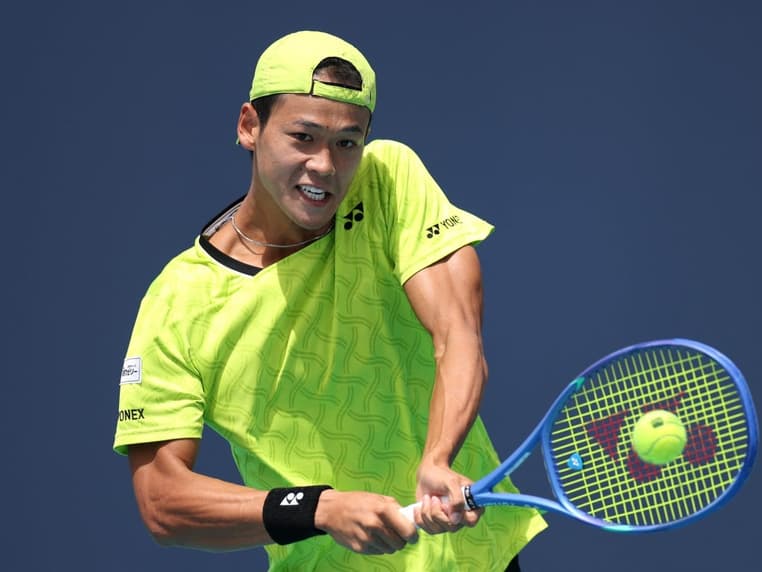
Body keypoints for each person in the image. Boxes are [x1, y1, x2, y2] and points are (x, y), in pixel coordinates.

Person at [113, 30, 547, 571]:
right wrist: (320, 508)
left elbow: (458, 334)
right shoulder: (178, 303)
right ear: (250, 126)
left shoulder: (386, 180)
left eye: (347, 142)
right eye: (303, 137)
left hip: (474, 561)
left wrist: (437, 458)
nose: (325, 165)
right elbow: (162, 502)